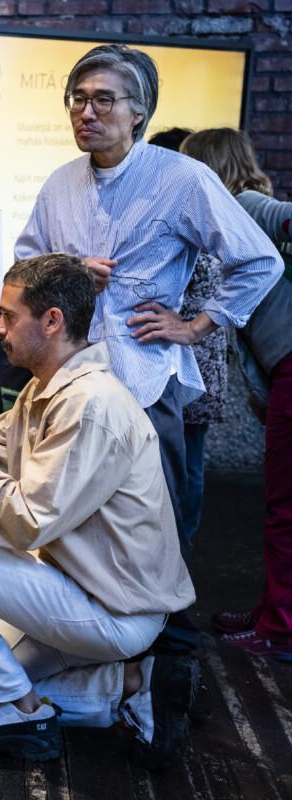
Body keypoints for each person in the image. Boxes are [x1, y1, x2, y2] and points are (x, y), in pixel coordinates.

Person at [0, 253, 198, 765]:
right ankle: (129, 686)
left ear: (52, 321)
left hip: (113, 611)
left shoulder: (90, 405)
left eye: (8, 316)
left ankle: (24, 709)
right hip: (77, 590)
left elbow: (24, 523)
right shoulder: (45, 390)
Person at [15, 45, 283, 566]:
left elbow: (258, 260)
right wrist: (69, 270)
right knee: (72, 516)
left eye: (103, 101)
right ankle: (83, 626)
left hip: (144, 376)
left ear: (139, 112)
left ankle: (171, 636)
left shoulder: (181, 178)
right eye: (78, 99)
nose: (86, 112)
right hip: (69, 377)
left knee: (157, 516)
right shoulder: (60, 183)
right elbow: (26, 262)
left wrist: (195, 326)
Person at [181, 128, 292, 661]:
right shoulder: (235, 220)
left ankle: (280, 628)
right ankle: (274, 612)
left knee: (285, 507)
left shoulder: (248, 203)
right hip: (282, 371)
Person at [147, 126, 228, 545]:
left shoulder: (187, 216)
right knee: (186, 461)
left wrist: (189, 326)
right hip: (198, 359)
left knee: (183, 464)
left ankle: (179, 552)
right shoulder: (202, 211)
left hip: (187, 361)